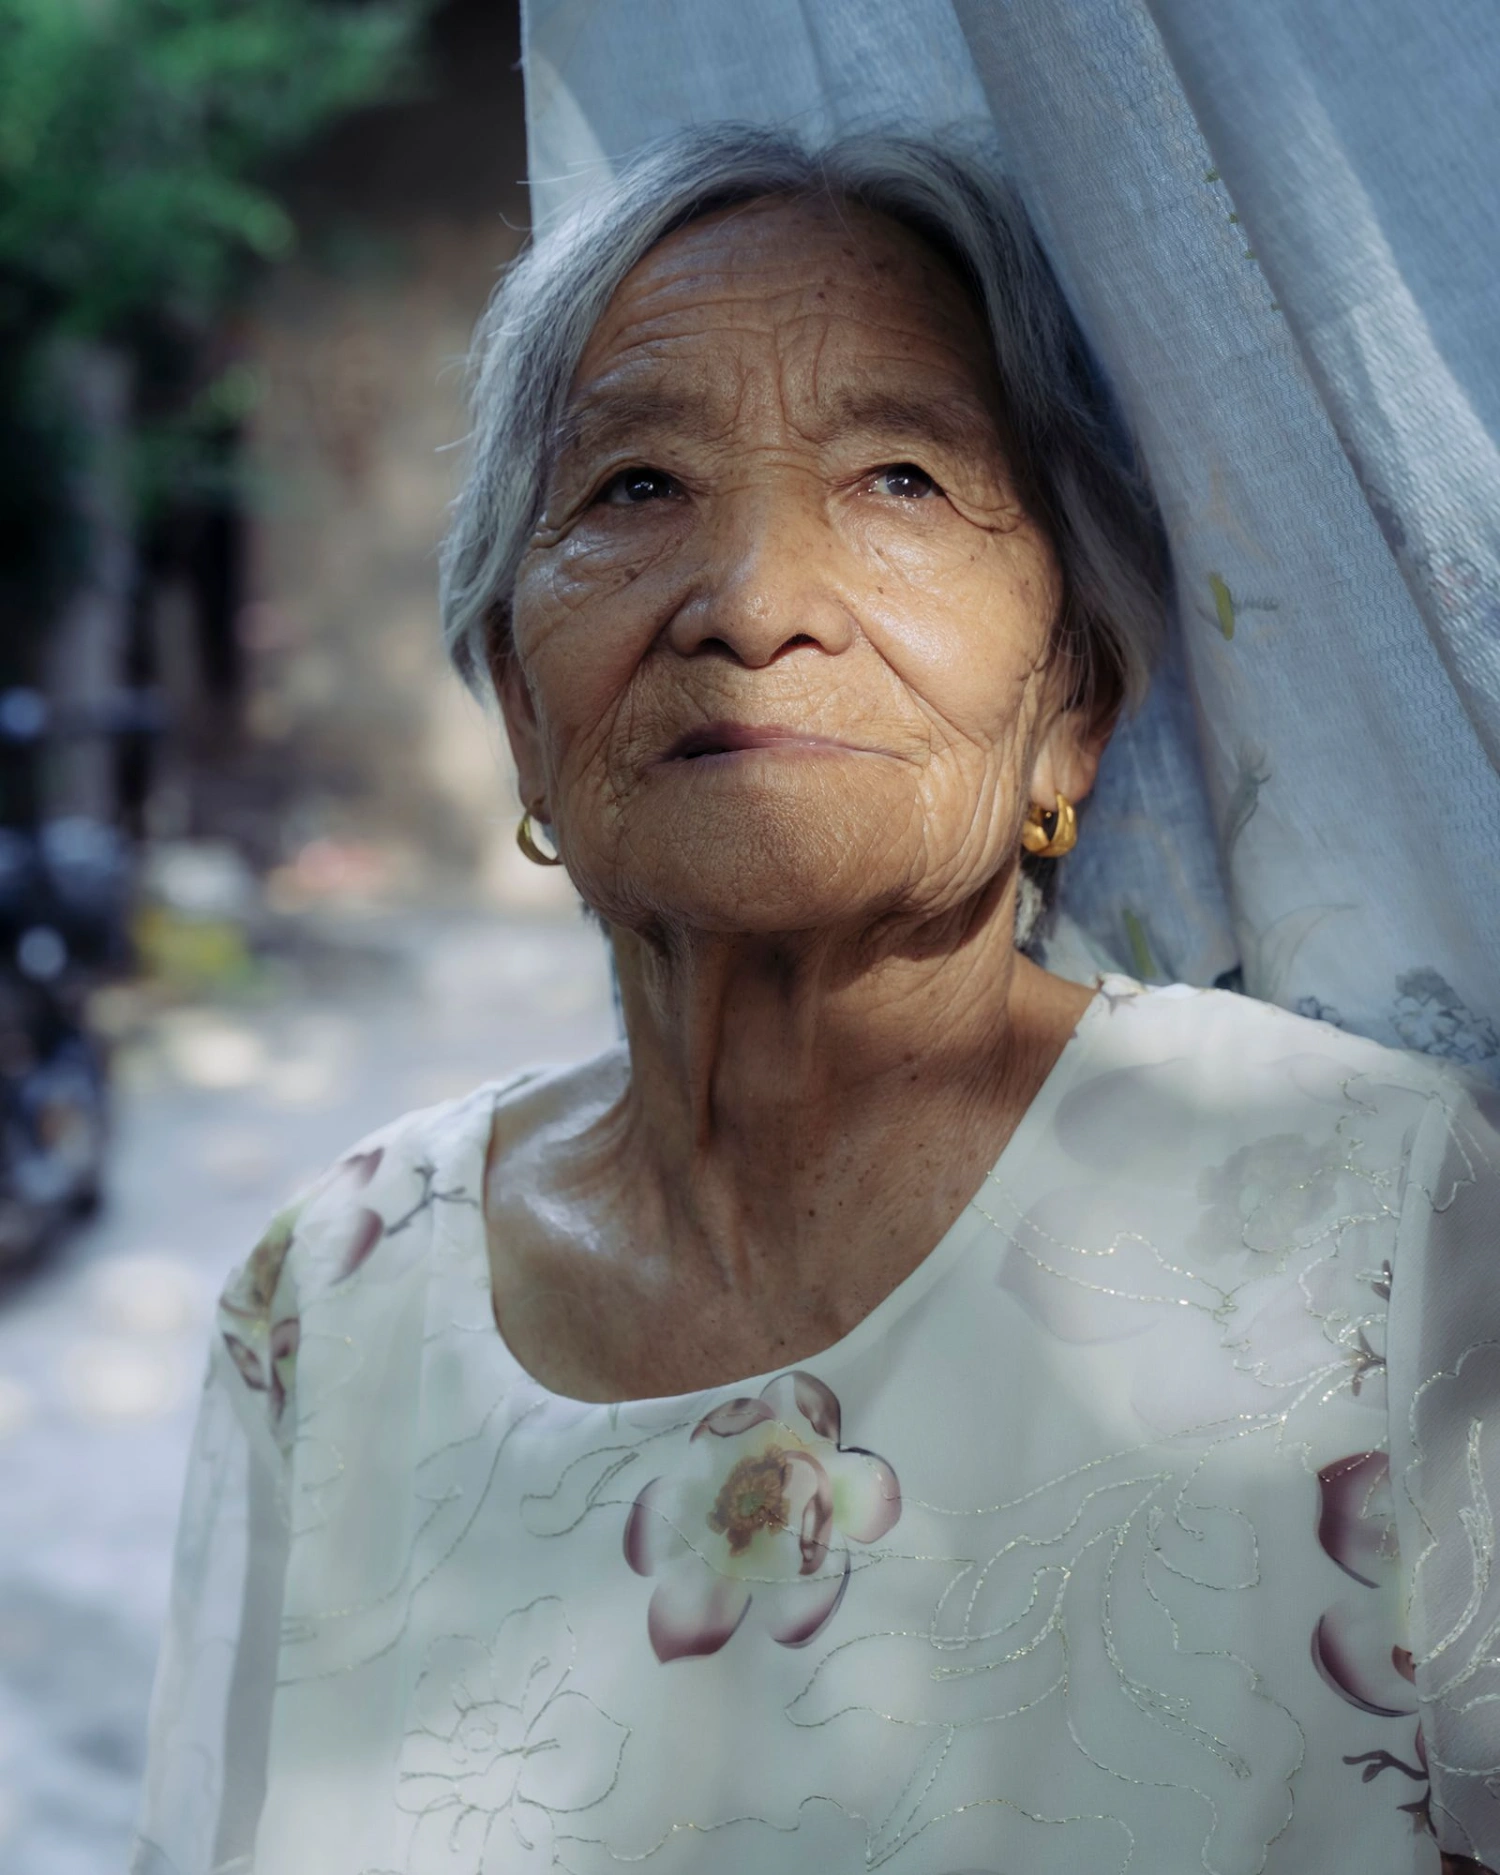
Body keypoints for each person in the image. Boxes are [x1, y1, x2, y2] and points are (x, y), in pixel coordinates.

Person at [132, 126, 1500, 1875]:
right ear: (523, 716)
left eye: (901, 479)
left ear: (1072, 706)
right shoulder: (333, 1296)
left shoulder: (1379, 1226)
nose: (757, 606)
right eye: (635, 486)